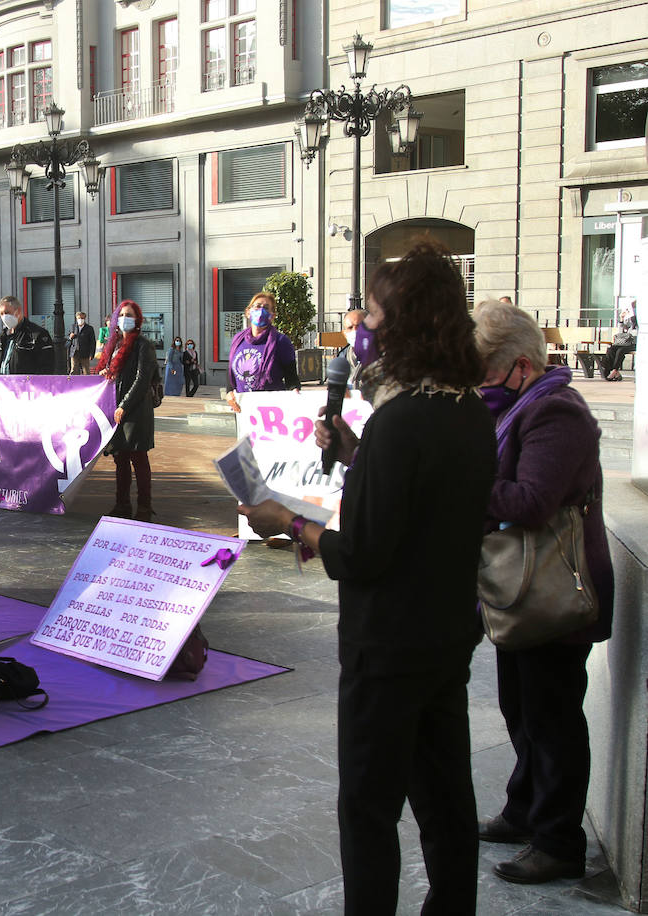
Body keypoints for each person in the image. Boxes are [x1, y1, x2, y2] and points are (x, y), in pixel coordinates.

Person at [239, 241, 497, 915]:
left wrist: (288, 523)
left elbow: (364, 555)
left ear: (406, 323)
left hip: (386, 650)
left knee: (368, 810)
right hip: (446, 637)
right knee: (446, 804)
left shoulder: (401, 421)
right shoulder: (468, 410)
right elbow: (421, 506)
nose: (364, 330)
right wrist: (356, 454)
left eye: (375, 315)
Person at [472, 299, 614, 885]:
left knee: (552, 717)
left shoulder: (557, 413)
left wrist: (463, 481)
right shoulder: (518, 405)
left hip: (556, 593)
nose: (479, 385)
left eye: (484, 372)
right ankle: (525, 807)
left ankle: (559, 840)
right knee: (521, 708)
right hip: (524, 589)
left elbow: (531, 502)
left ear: (522, 366)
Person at [94, 300, 159, 521]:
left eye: (129, 314)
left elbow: (142, 379)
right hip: (116, 408)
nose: (124, 318)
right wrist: (105, 373)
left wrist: (124, 405)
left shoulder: (143, 345)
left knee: (138, 459)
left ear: (137, 319)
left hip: (136, 410)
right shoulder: (113, 345)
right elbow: (113, 373)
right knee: (120, 459)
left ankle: (144, 507)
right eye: (121, 314)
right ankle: (122, 504)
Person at [224, 291, 300, 412]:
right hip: (243, 407)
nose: (261, 310)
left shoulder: (281, 341)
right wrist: (229, 393)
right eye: (258, 306)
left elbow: (291, 378)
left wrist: (295, 393)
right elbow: (231, 371)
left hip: (270, 409)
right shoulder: (238, 340)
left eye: (266, 308)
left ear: (272, 315)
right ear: (248, 312)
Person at [0, 295, 56, 375]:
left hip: (26, 385)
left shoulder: (36, 334)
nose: (4, 317)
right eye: (1, 314)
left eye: (7, 313)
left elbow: (47, 366)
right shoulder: (1, 337)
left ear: (18, 311)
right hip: (4, 385)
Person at [600, 299, 637, 381]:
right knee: (611, 349)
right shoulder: (627, 319)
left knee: (620, 350)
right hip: (624, 343)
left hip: (634, 343)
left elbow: (635, 333)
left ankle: (615, 370)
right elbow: (621, 334)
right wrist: (621, 319)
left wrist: (633, 321)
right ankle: (614, 372)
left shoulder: (637, 319)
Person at [340, 307, 366, 388]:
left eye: (359, 326)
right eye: (350, 328)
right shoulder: (342, 357)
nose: (355, 331)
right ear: (344, 333)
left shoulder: (384, 356)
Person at [68, 310, 97, 375]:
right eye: (79, 318)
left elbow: (92, 342)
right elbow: (69, 337)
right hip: (74, 352)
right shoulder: (73, 326)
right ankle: (74, 383)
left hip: (85, 353)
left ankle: (87, 384)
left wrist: (91, 354)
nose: (80, 319)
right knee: (74, 370)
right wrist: (70, 337)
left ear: (84, 318)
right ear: (76, 318)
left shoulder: (89, 328)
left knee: (86, 370)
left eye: (82, 318)